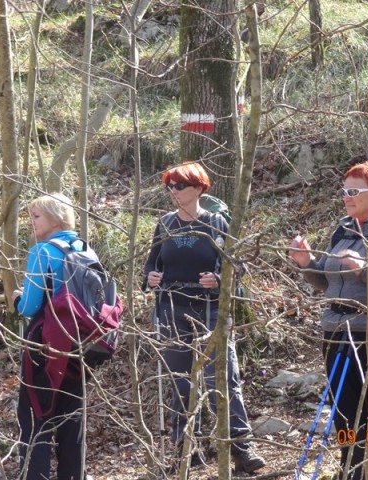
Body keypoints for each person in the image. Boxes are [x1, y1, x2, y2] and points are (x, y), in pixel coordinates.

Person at [289, 161, 368, 480]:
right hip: (335, 332)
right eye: (344, 191)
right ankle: (354, 474)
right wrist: (307, 264)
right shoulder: (343, 230)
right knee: (345, 415)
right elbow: (327, 282)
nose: (346, 197)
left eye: (354, 191)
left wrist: (365, 268)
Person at [143, 162, 266, 474]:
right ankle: (188, 450)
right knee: (181, 384)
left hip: (211, 311)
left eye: (179, 186)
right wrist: (152, 278)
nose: (173, 192)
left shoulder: (216, 223)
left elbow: (237, 267)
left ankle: (241, 447)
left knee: (223, 379)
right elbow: (149, 266)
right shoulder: (166, 224)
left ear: (199, 188)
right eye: (169, 186)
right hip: (172, 311)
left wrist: (220, 279)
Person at [11, 194, 89, 480]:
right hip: (79, 346)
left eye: (36, 216)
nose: (30, 222)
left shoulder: (42, 251)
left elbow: (30, 305)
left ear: (56, 218)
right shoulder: (84, 248)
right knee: (72, 419)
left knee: (35, 418)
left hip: (44, 346)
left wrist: (17, 299)